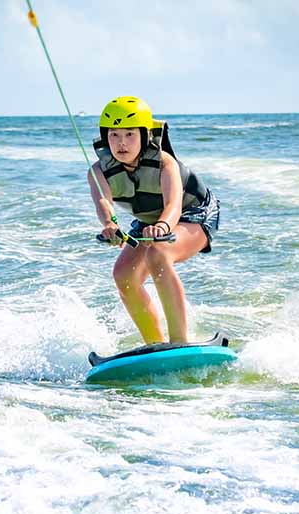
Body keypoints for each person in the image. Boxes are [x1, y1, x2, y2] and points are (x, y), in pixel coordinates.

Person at [88, 96, 220, 344]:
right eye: (114, 135)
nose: (121, 143)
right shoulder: (97, 171)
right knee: (123, 274)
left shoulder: (164, 162)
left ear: (145, 135)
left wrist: (162, 226)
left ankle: (179, 343)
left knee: (158, 253)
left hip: (194, 212)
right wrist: (109, 225)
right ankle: (155, 345)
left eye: (129, 134)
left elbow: (173, 205)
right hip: (148, 221)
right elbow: (103, 202)